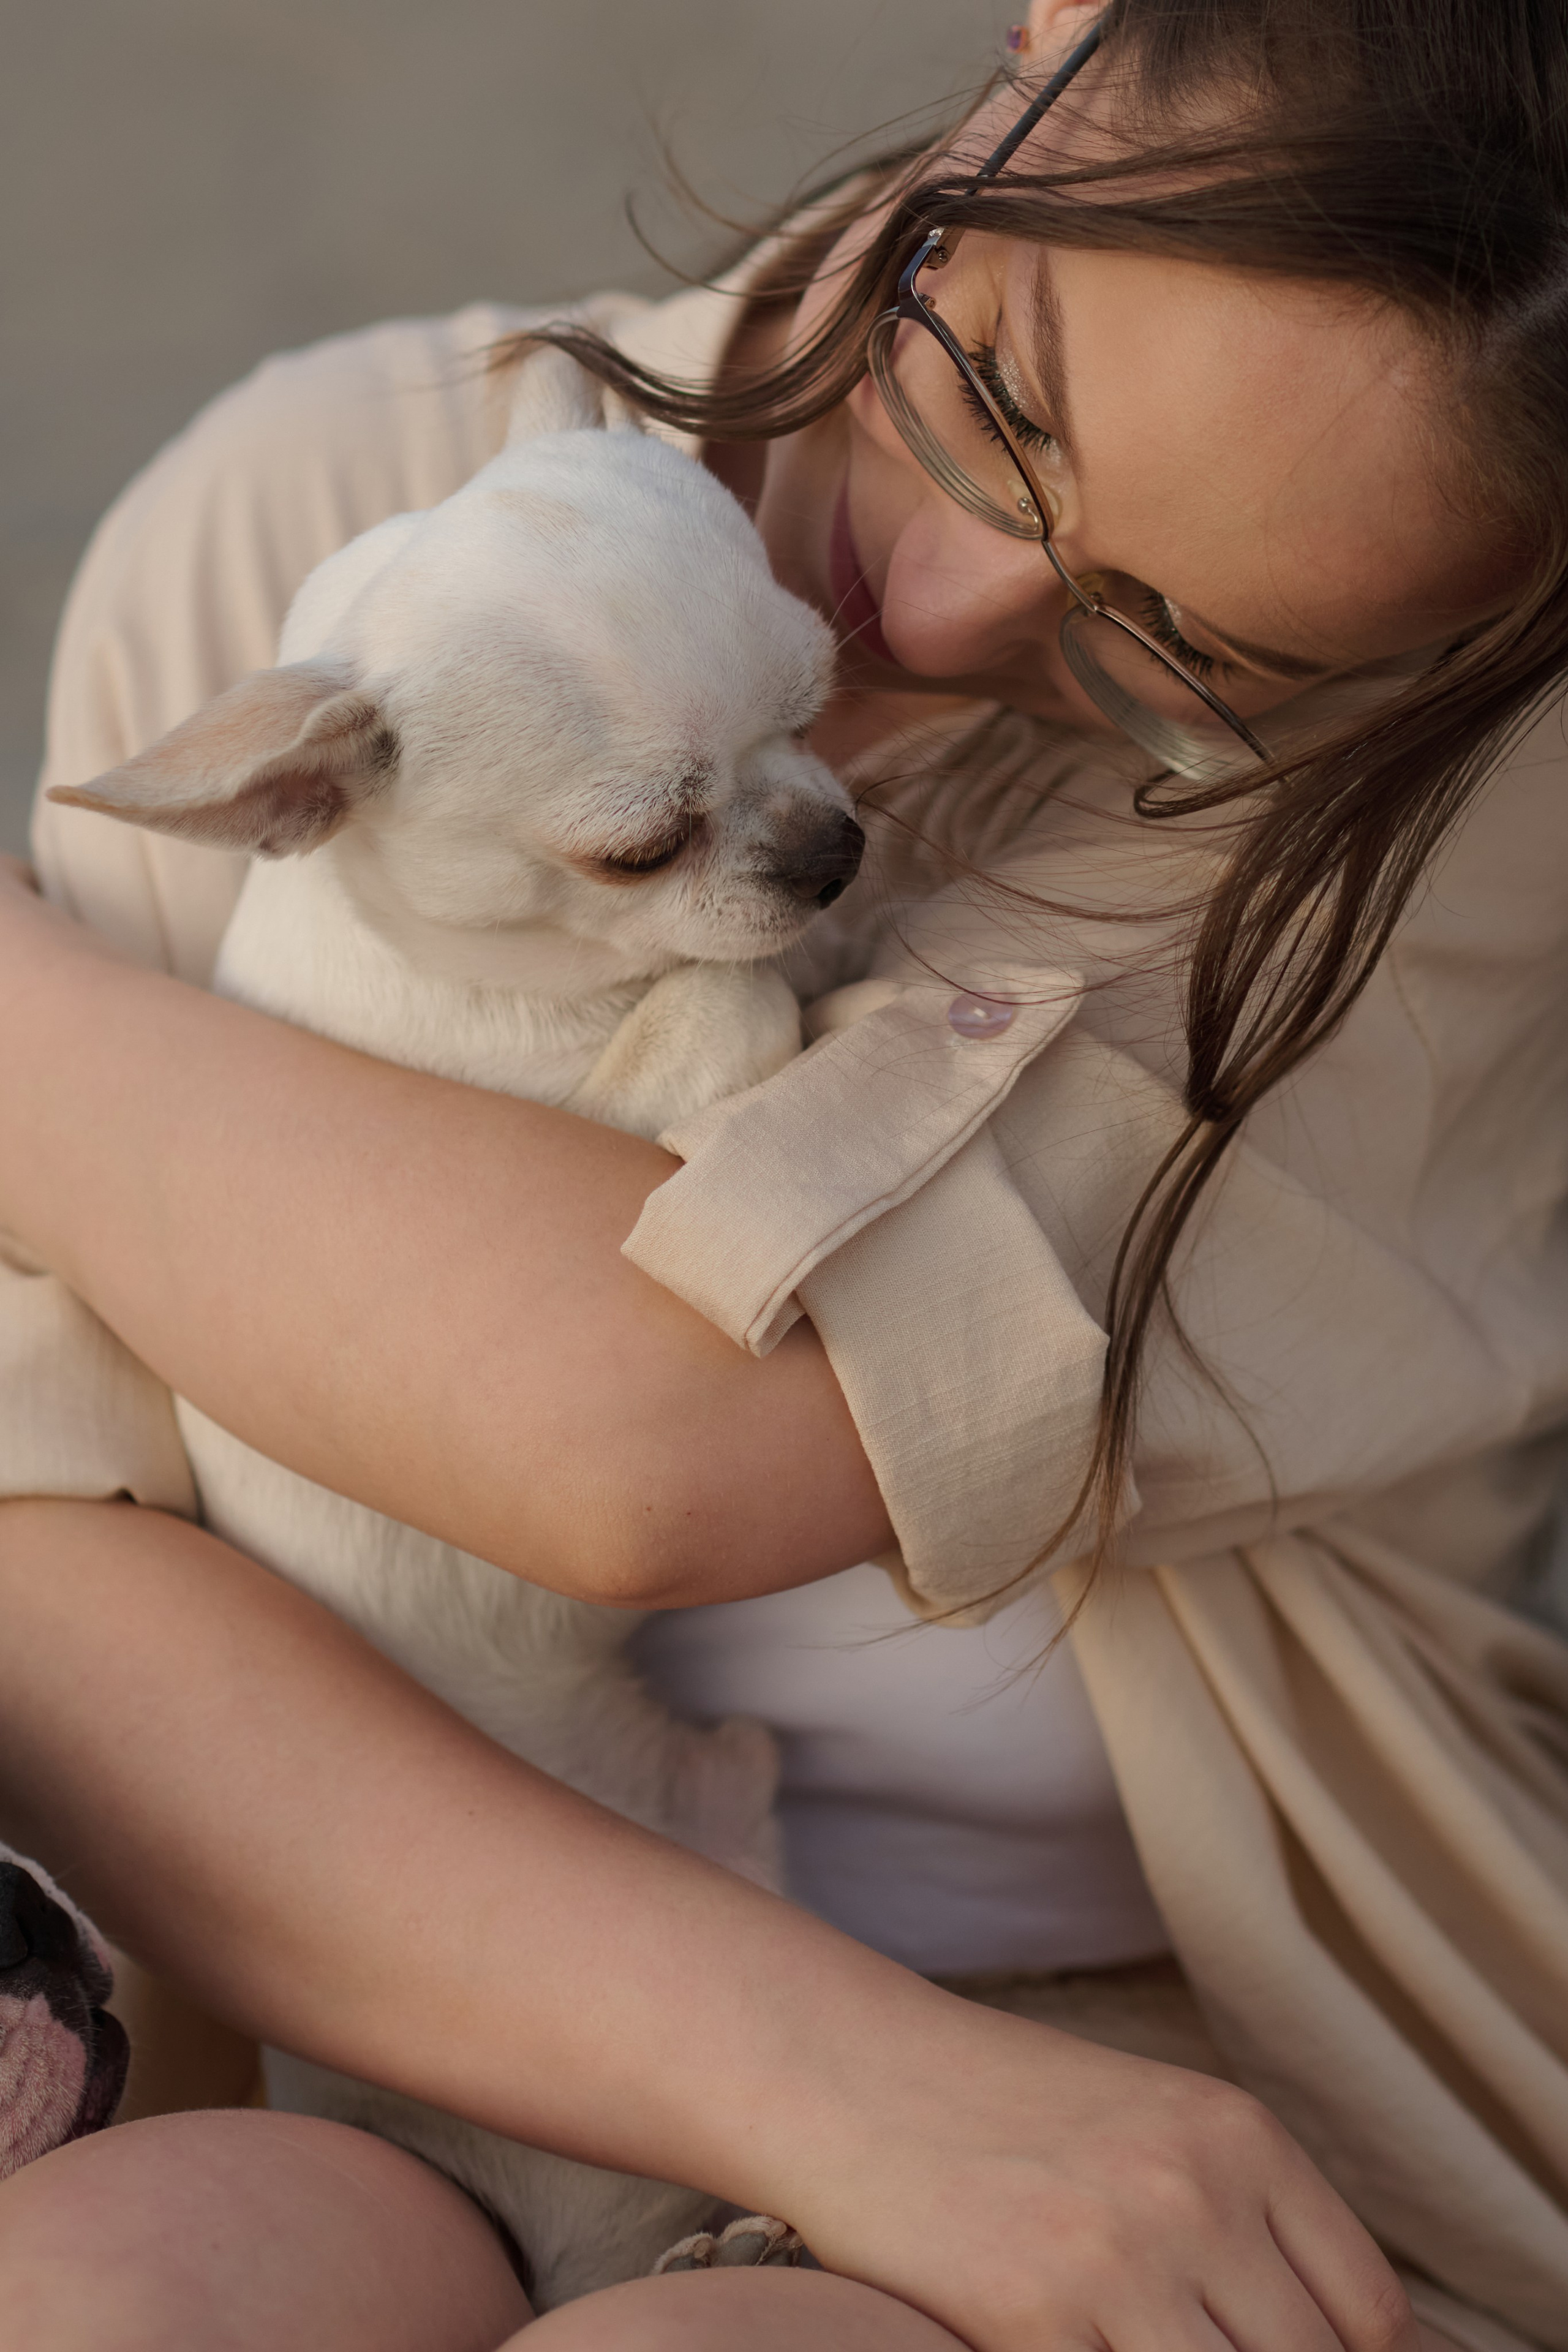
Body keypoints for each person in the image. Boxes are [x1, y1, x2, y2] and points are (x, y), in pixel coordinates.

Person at [1, 0, 1566, 2343]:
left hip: (1169, 2091)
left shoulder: (1454, 789)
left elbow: (647, 1435)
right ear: (1057, 33)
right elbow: (62, 1575)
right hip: (407, 2054)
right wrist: (835, 2095)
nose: (922, 615)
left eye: (1182, 643)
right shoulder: (311, 517)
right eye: (1003, 383)